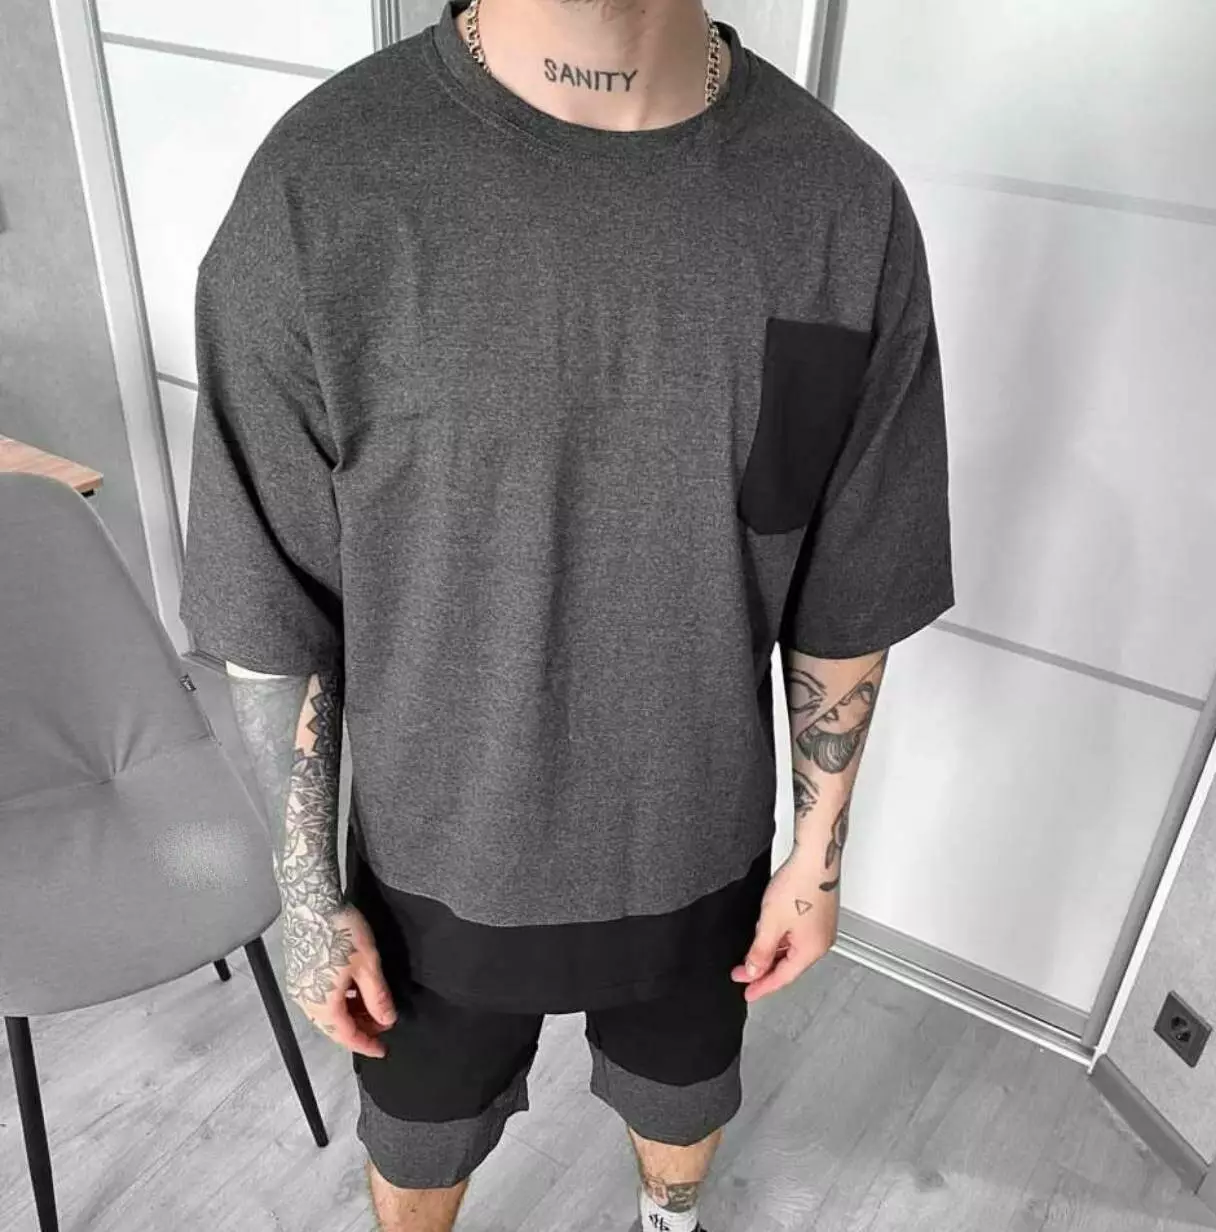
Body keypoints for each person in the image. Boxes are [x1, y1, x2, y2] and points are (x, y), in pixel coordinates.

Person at [178, 0, 955, 1228]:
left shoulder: (839, 210)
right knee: (421, 1140)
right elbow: (273, 603)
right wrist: (309, 890)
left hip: (699, 847)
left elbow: (852, 581)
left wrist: (817, 854)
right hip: (436, 864)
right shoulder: (322, 191)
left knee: (684, 1103)